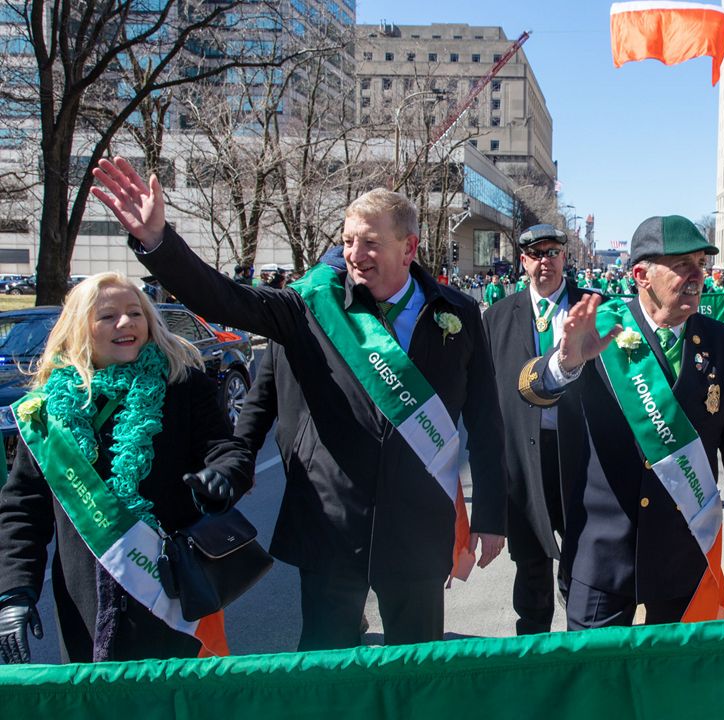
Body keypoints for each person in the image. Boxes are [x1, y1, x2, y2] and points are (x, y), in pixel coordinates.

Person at [90, 157, 507, 650]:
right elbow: (224, 298)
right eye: (349, 240)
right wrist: (160, 242)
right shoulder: (309, 306)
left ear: (409, 247)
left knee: (415, 675)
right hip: (329, 525)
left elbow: (484, 416)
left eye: (370, 242)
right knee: (325, 676)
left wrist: (492, 517)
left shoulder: (456, 313)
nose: (354, 254)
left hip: (417, 529)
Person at [518, 215, 724, 629]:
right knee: (595, 686)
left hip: (683, 552)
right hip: (601, 553)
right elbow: (529, 390)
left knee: (671, 690)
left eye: (700, 265)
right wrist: (564, 362)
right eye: (681, 265)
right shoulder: (595, 330)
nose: (696, 276)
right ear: (641, 275)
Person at [0, 273, 252, 663]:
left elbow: (225, 450)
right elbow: (22, 512)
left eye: (136, 312)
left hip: (172, 595)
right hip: (86, 605)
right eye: (108, 316)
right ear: (79, 328)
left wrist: (224, 475)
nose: (126, 323)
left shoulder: (183, 385)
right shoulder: (47, 414)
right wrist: (14, 592)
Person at [483, 224, 592, 635]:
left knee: (582, 559)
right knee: (529, 562)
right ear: (523, 261)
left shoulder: (595, 307)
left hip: (581, 454)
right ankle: (533, 646)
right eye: (535, 254)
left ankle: (580, 644)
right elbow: (485, 394)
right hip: (523, 457)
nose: (544, 261)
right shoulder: (497, 317)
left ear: (565, 257)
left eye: (552, 253)